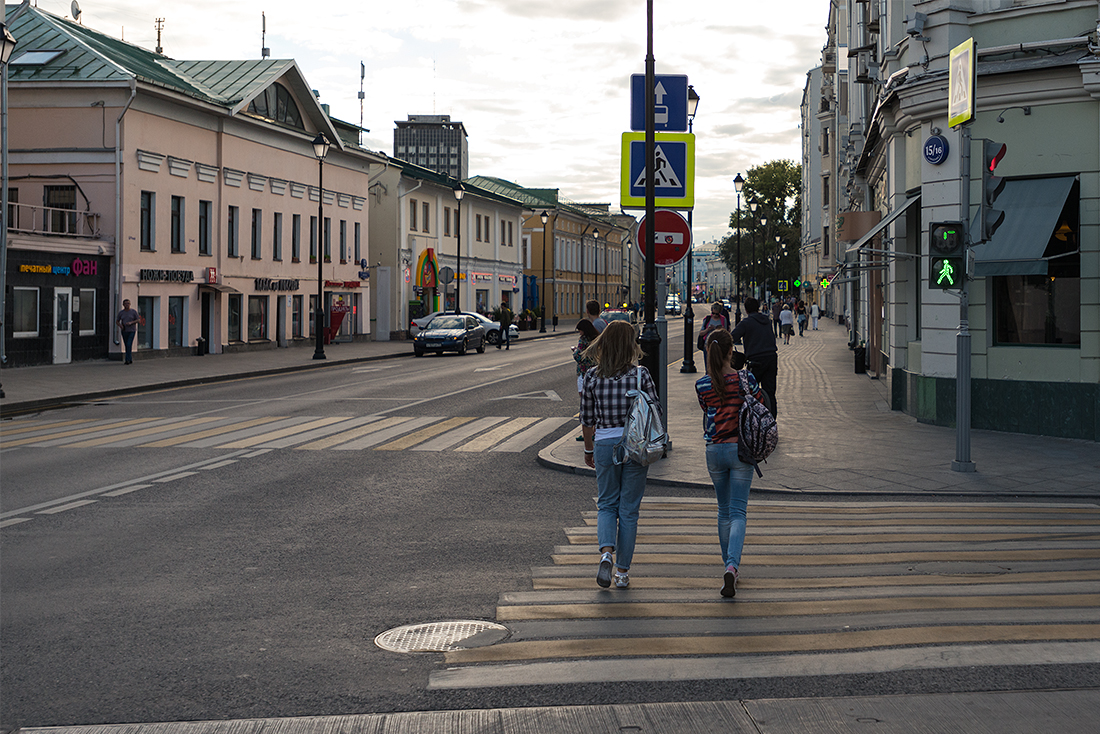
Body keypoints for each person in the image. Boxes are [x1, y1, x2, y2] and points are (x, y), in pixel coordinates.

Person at [580, 320, 661, 590]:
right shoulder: (641, 375)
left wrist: (588, 449)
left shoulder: (591, 376)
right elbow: (654, 411)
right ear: (630, 345)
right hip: (635, 446)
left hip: (604, 443)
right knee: (629, 510)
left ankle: (606, 554)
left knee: (606, 504)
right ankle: (623, 573)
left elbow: (587, 418)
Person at [696, 328, 764, 597]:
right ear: (730, 352)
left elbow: (706, 409)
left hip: (714, 450)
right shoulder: (746, 379)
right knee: (738, 512)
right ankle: (732, 567)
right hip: (740, 450)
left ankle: (729, 567)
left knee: (723, 511)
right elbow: (759, 404)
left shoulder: (702, 384)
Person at [731, 297, 780, 416]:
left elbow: (732, 337)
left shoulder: (746, 323)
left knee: (749, 390)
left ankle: (752, 417)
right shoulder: (767, 320)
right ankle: (772, 420)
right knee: (770, 392)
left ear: (746, 310)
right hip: (771, 357)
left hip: (755, 360)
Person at [573, 319, 600, 441]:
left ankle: (587, 434)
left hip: (584, 373)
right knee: (595, 401)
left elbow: (579, 356)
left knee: (585, 402)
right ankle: (595, 431)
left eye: (580, 330)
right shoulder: (597, 338)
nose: (579, 333)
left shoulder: (583, 340)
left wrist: (574, 351)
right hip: (596, 372)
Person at [116, 299, 139, 364]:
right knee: (127, 345)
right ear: (123, 305)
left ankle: (127, 360)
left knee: (129, 344)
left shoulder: (133, 312)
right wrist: (120, 325)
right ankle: (130, 358)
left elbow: (138, 320)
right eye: (125, 303)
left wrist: (131, 322)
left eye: (128, 303)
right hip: (124, 331)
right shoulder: (121, 313)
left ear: (130, 304)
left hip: (132, 330)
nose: (127, 305)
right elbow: (117, 321)